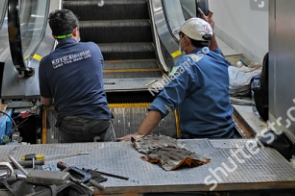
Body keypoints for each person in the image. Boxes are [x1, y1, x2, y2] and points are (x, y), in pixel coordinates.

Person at [118, 10, 237, 142]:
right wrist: (209, 28)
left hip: (200, 140)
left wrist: (139, 134)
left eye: (180, 37)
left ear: (185, 40)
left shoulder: (186, 65)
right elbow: (214, 48)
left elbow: (164, 101)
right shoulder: (219, 59)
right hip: (228, 136)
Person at [39, 9, 116, 143]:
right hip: (99, 119)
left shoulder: (46, 63)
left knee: (74, 160)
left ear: (53, 35)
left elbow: (46, 102)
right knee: (109, 157)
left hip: (70, 125)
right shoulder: (93, 49)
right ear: (75, 31)